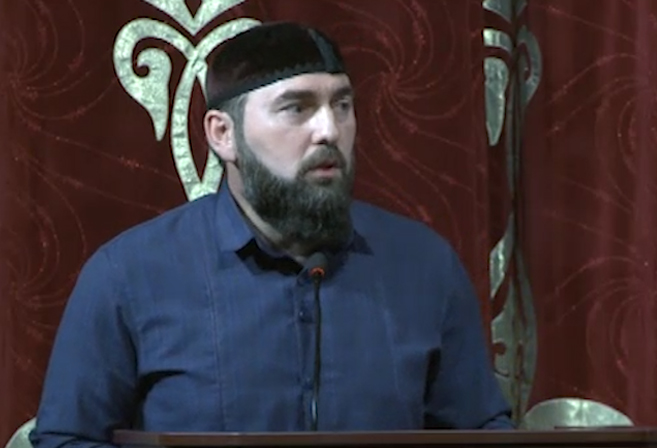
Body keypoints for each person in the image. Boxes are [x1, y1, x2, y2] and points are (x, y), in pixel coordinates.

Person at [30, 21, 515, 448]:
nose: (329, 130)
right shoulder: (129, 275)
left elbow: (481, 430)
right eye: (296, 108)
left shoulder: (423, 266)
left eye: (342, 105)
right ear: (223, 134)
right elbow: (67, 439)